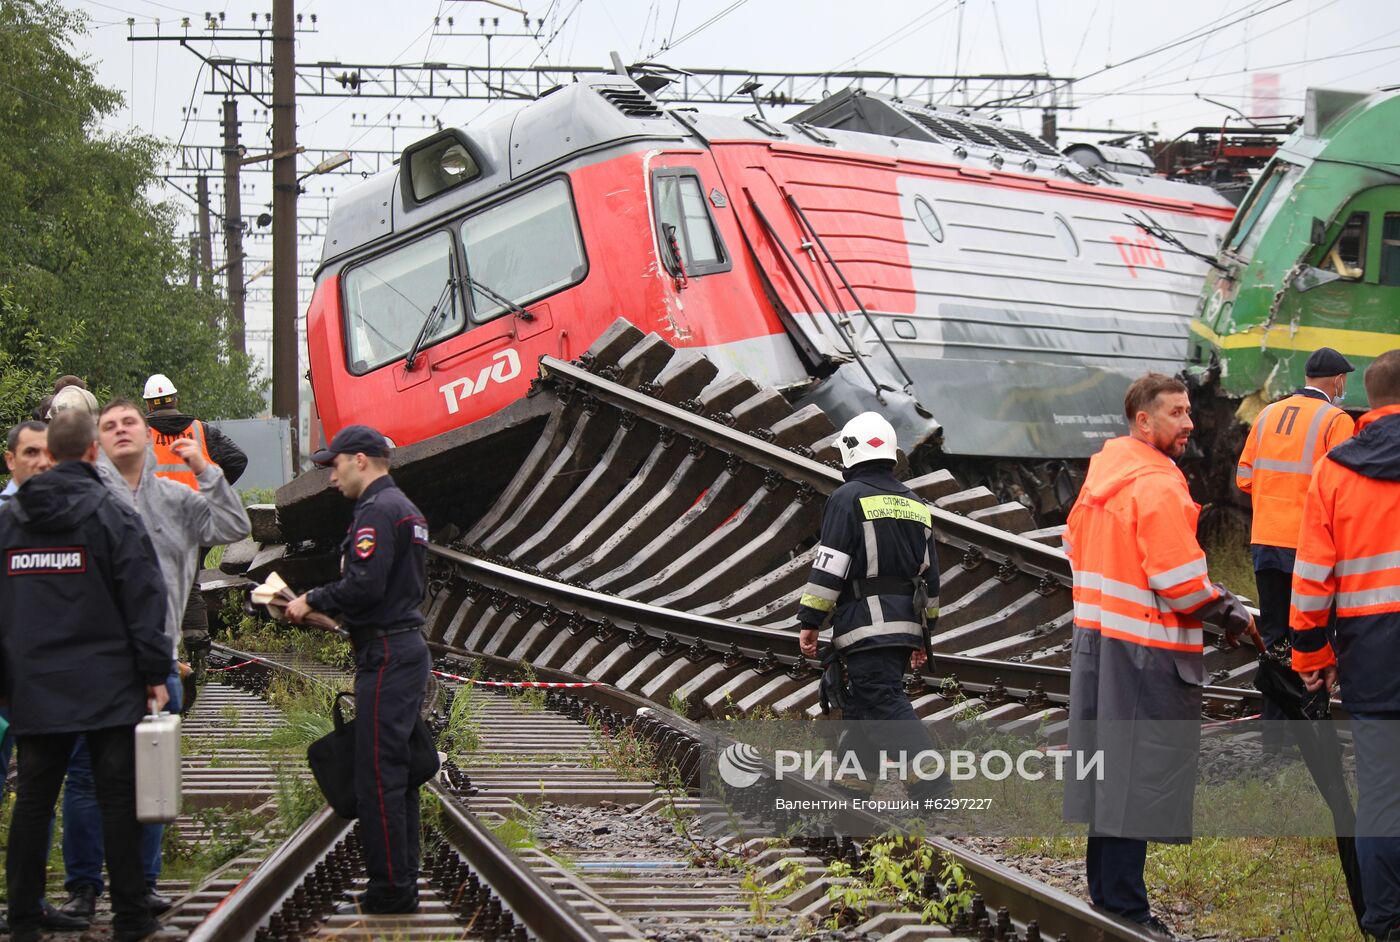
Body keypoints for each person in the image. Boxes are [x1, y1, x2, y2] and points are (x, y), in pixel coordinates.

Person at [1063, 372, 1252, 937]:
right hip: (1143, 650)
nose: (1189, 424)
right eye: (1178, 413)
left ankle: (1107, 894)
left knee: (1107, 771)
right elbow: (1180, 583)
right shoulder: (1157, 485)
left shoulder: (1101, 478)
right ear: (1144, 420)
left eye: (1189, 411)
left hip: (1096, 642)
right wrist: (1229, 608)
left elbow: (1073, 548)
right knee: (1137, 776)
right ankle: (1126, 908)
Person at [54, 399, 249, 923]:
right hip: (90, 658)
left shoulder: (176, 498)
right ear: (97, 440)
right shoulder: (84, 496)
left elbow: (233, 525)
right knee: (84, 776)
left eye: (129, 423)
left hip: (157, 655)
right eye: (109, 425)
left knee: (150, 771)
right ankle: (82, 887)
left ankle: (141, 883)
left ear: (147, 437)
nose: (120, 431)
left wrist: (206, 470)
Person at [0, 410, 170, 942]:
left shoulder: (9, 520)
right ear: (92, 452)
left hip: (34, 686)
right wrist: (154, 672)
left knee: (32, 801)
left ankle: (23, 918)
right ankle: (130, 918)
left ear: (48, 452)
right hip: (107, 685)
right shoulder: (111, 514)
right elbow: (145, 598)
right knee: (117, 801)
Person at [286, 425, 431, 915]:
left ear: (362, 460)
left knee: (378, 773)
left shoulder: (375, 511)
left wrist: (313, 599)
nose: (331, 477)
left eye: (335, 465)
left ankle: (390, 889)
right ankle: (402, 878)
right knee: (400, 770)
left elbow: (365, 586)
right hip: (402, 646)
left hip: (387, 653)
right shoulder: (406, 509)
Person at [1291, 349, 1400, 940]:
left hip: (1373, 654)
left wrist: (1311, 658)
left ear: (1369, 402)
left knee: (1383, 791)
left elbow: (1311, 578)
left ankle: (1385, 922)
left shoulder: (1335, 468)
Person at [795, 411, 947, 802]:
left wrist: (810, 620)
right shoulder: (916, 504)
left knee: (880, 697)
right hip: (904, 627)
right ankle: (850, 788)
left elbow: (831, 563)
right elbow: (930, 578)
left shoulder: (846, 498)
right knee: (865, 702)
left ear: (849, 452)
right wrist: (922, 635)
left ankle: (930, 775)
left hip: (865, 625)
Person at [1236, 347, 1355, 751]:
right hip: (1309, 549)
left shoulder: (1268, 414)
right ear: (1338, 381)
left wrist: (1277, 496)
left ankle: (1275, 737)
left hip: (1265, 542)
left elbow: (1244, 477)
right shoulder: (1336, 420)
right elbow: (1344, 488)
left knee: (1276, 642)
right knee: (1314, 640)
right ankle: (1313, 739)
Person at [143, 372, 248, 687]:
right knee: (189, 587)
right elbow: (238, 460)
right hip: (194, 521)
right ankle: (198, 660)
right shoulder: (200, 431)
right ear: (175, 399)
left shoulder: (142, 435)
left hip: (154, 522)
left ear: (148, 404)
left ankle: (159, 659)